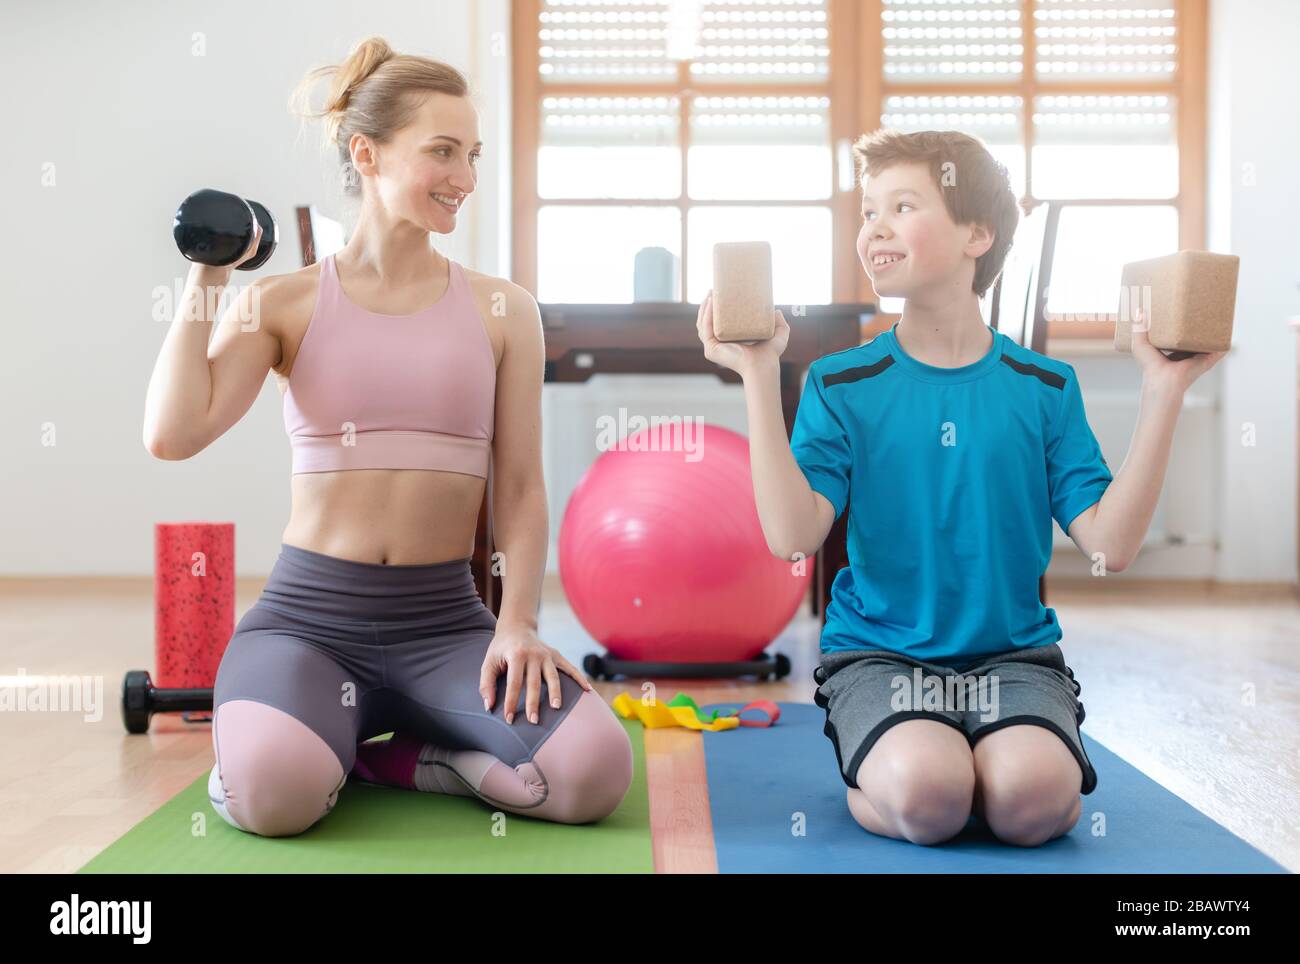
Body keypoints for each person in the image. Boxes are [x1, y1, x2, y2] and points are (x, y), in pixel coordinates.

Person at [143, 36, 633, 837]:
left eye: (471, 154)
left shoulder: (504, 310)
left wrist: (518, 625)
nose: (465, 178)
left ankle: (402, 759)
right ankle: (295, 749)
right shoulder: (286, 303)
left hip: (446, 626)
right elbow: (172, 434)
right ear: (367, 154)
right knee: (275, 800)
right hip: (308, 624)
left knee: (590, 777)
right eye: (442, 152)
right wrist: (208, 274)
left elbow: (517, 488)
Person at [696, 128, 1225, 847]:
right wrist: (760, 376)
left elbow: (1113, 543)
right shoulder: (842, 383)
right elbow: (793, 536)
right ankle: (898, 766)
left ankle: (990, 766)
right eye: (868, 211)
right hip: (880, 656)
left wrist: (1163, 390)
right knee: (932, 797)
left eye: (902, 206)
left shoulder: (1044, 387)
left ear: (977, 234)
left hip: (1012, 659)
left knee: (1031, 805)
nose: (875, 228)